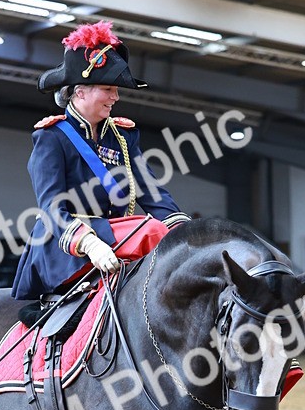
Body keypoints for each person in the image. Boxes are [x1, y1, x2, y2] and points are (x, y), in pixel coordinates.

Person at [11, 21, 190, 300]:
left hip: (117, 237)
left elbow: (154, 195)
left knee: (168, 236)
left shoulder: (123, 136)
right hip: (66, 244)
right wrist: (89, 243)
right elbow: (51, 207)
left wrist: (186, 233)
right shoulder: (51, 137)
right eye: (108, 88)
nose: (115, 97)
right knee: (152, 230)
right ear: (80, 91)